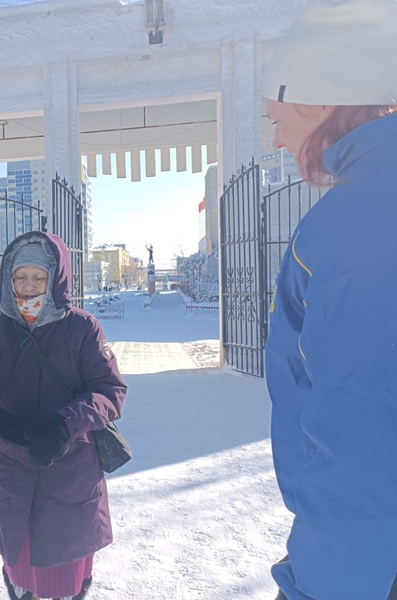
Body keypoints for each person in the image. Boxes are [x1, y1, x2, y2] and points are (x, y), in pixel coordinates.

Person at [261, 1, 397, 598]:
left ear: (317, 101)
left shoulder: (355, 222)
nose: (276, 138)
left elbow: (360, 430)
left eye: (276, 117)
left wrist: (317, 582)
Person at [0, 231, 127, 600]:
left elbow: (110, 392)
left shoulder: (83, 328)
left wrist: (66, 424)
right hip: (10, 467)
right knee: (20, 567)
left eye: (39, 277)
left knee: (62, 570)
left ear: (56, 279)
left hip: (68, 470)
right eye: (21, 277)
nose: (30, 287)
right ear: (9, 279)